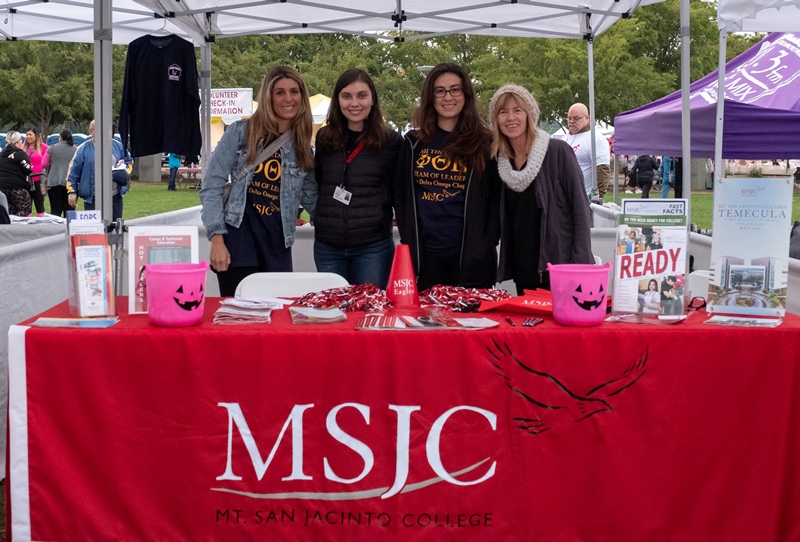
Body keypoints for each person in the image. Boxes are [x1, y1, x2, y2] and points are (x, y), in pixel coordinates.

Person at [200, 66, 318, 297]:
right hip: (238, 243)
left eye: (294, 92)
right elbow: (211, 187)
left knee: (274, 325)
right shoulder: (241, 132)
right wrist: (217, 240)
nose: (288, 99)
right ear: (268, 97)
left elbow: (312, 199)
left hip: (277, 246)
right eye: (280, 92)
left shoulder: (303, 147)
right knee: (239, 321)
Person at [395, 62, 498, 291]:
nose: (447, 97)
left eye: (455, 89)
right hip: (424, 258)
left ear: (466, 94)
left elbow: (496, 201)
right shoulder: (413, 143)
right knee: (428, 325)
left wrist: (485, 245)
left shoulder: (485, 142)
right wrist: (408, 240)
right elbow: (400, 196)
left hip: (470, 258)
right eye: (440, 91)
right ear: (430, 97)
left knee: (469, 325)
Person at [488, 84, 592, 294]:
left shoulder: (557, 152)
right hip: (523, 267)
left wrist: (580, 263)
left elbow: (580, 211)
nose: (510, 118)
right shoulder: (499, 162)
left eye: (517, 110)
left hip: (559, 268)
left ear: (529, 114)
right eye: (503, 112)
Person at [313, 68, 402, 289]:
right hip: (328, 246)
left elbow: (398, 192)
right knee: (333, 314)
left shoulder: (391, 141)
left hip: (372, 247)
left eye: (362, 95)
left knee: (368, 315)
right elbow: (319, 182)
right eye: (347, 96)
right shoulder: (324, 138)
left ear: (372, 99)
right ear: (338, 100)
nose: (354, 103)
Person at [67, 120, 133, 222]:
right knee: (94, 230)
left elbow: (129, 161)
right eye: (98, 129)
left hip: (114, 196)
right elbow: (73, 172)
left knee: (115, 230)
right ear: (91, 131)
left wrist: (123, 173)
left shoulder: (119, 146)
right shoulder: (83, 149)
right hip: (92, 198)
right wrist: (72, 193)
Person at [563, 103, 611, 200]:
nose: (571, 121)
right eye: (569, 118)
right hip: (563, 199)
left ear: (587, 118)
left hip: (583, 199)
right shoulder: (564, 139)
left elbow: (603, 170)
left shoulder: (596, 139)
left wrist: (597, 198)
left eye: (576, 118)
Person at [0, 131, 33, 217]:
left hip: (3, 187)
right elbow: (28, 169)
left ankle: (9, 229)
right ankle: (19, 229)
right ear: (18, 141)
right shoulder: (20, 154)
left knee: (8, 212)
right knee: (24, 210)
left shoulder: (1, 155)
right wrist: (31, 167)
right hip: (18, 187)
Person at [45, 130, 77, 218]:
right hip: (70, 183)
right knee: (69, 211)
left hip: (54, 182)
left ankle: (57, 230)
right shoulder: (76, 149)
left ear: (61, 137)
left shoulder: (52, 148)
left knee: (55, 210)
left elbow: (44, 163)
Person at [23, 127, 48, 217]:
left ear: (36, 135)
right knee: (26, 205)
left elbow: (48, 162)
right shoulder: (22, 147)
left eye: (30, 134)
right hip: (25, 180)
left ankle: (40, 224)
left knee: (39, 204)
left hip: (38, 180)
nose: (28, 137)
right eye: (27, 135)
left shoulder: (44, 147)